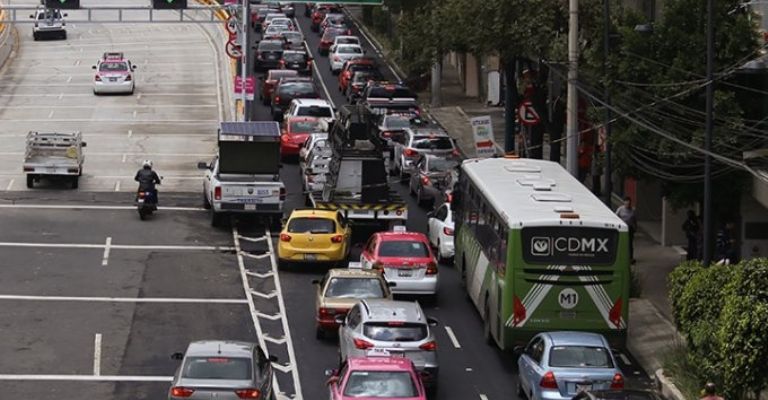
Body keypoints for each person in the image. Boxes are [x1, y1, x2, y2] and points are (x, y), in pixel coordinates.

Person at [616, 196, 637, 263]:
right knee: (621, 242)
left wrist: (635, 227)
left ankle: (630, 258)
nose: (627, 205)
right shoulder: (620, 209)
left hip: (629, 228)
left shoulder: (632, 210)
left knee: (630, 244)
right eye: (626, 203)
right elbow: (615, 216)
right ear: (624, 203)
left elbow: (634, 220)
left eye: (629, 203)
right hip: (622, 228)